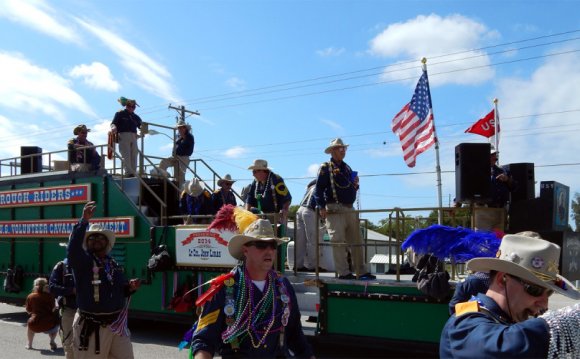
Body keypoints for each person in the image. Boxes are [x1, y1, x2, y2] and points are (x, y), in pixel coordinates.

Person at [190, 216, 315, 358]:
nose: (269, 251)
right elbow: (204, 340)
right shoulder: (224, 288)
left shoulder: (283, 286)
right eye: (261, 245)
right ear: (245, 250)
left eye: (272, 245)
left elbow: (295, 335)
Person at [440, 232, 580, 358]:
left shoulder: (508, 318)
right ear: (502, 279)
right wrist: (570, 321)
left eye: (549, 292)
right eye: (535, 290)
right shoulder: (464, 324)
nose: (544, 304)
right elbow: (503, 347)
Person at [67, 201, 141, 358]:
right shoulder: (83, 262)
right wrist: (83, 221)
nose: (96, 240)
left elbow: (118, 289)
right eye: (92, 238)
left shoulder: (112, 263)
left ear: (107, 242)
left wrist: (129, 287)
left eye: (100, 237)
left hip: (116, 325)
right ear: (87, 243)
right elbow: (73, 250)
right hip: (91, 326)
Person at [314, 138, 375, 280]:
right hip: (334, 208)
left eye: (344, 148)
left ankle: (361, 271)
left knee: (357, 240)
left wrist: (355, 184)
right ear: (333, 151)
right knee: (338, 240)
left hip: (349, 208)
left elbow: (350, 187)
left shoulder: (347, 168)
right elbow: (318, 189)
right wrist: (322, 207)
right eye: (339, 148)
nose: (343, 150)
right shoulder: (325, 167)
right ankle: (343, 272)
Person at [474, 146, 516, 231]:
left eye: (494, 155)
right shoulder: (476, 171)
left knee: (498, 241)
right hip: (483, 211)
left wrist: (507, 180)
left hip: (500, 211)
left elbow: (514, 188)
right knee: (483, 240)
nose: (494, 157)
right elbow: (467, 188)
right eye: (491, 155)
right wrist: (457, 201)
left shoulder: (503, 171)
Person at [245, 159, 292, 234]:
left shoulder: (276, 179)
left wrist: (284, 210)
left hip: (275, 217)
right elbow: (249, 198)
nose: (253, 174)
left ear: (262, 171)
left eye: (254, 172)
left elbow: (287, 198)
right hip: (259, 217)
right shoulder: (255, 182)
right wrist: (246, 213)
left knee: (275, 241)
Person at [294, 179, 327, 272]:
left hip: (300, 210)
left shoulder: (312, 186)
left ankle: (298, 265)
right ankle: (313, 266)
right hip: (310, 211)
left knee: (300, 240)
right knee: (314, 240)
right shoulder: (325, 186)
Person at [49, 258, 77, 359]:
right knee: (69, 343)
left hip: (88, 311)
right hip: (70, 310)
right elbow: (52, 287)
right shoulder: (62, 266)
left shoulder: (91, 264)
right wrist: (71, 290)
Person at [25, 277, 59, 351]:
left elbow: (28, 311)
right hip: (49, 324)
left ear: (35, 286)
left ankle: (29, 344)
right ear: (46, 286)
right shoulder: (50, 296)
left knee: (29, 324)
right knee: (56, 323)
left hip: (35, 324)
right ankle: (52, 340)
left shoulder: (30, 296)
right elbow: (53, 309)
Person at [111, 97, 142, 177]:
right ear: (126, 106)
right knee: (126, 154)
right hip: (123, 135)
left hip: (134, 136)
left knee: (134, 154)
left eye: (133, 106)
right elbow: (113, 123)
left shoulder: (136, 117)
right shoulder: (120, 113)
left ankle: (134, 172)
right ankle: (128, 173)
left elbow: (141, 125)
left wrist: (143, 130)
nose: (131, 108)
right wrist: (113, 127)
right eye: (129, 106)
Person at [158, 120, 194, 187]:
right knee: (164, 162)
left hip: (183, 158)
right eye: (179, 128)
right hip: (176, 157)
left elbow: (183, 148)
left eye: (181, 127)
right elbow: (176, 148)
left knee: (179, 177)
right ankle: (161, 178)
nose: (180, 129)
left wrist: (179, 142)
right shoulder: (179, 139)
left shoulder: (189, 137)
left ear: (185, 128)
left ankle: (179, 193)